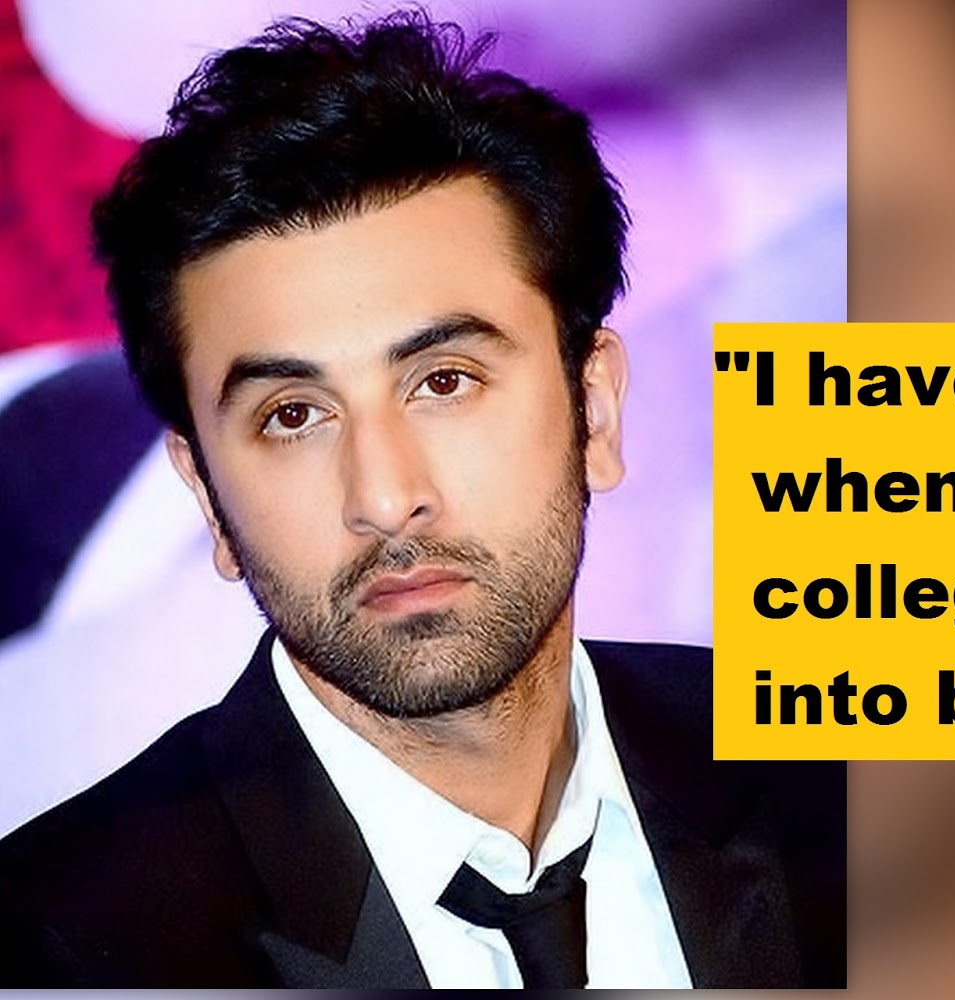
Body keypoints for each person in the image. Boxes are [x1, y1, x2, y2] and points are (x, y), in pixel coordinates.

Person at [0, 12, 844, 989]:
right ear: (204, 491)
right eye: (293, 415)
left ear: (596, 410)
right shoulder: (55, 946)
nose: (386, 496)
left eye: (443, 381)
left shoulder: (852, 793)